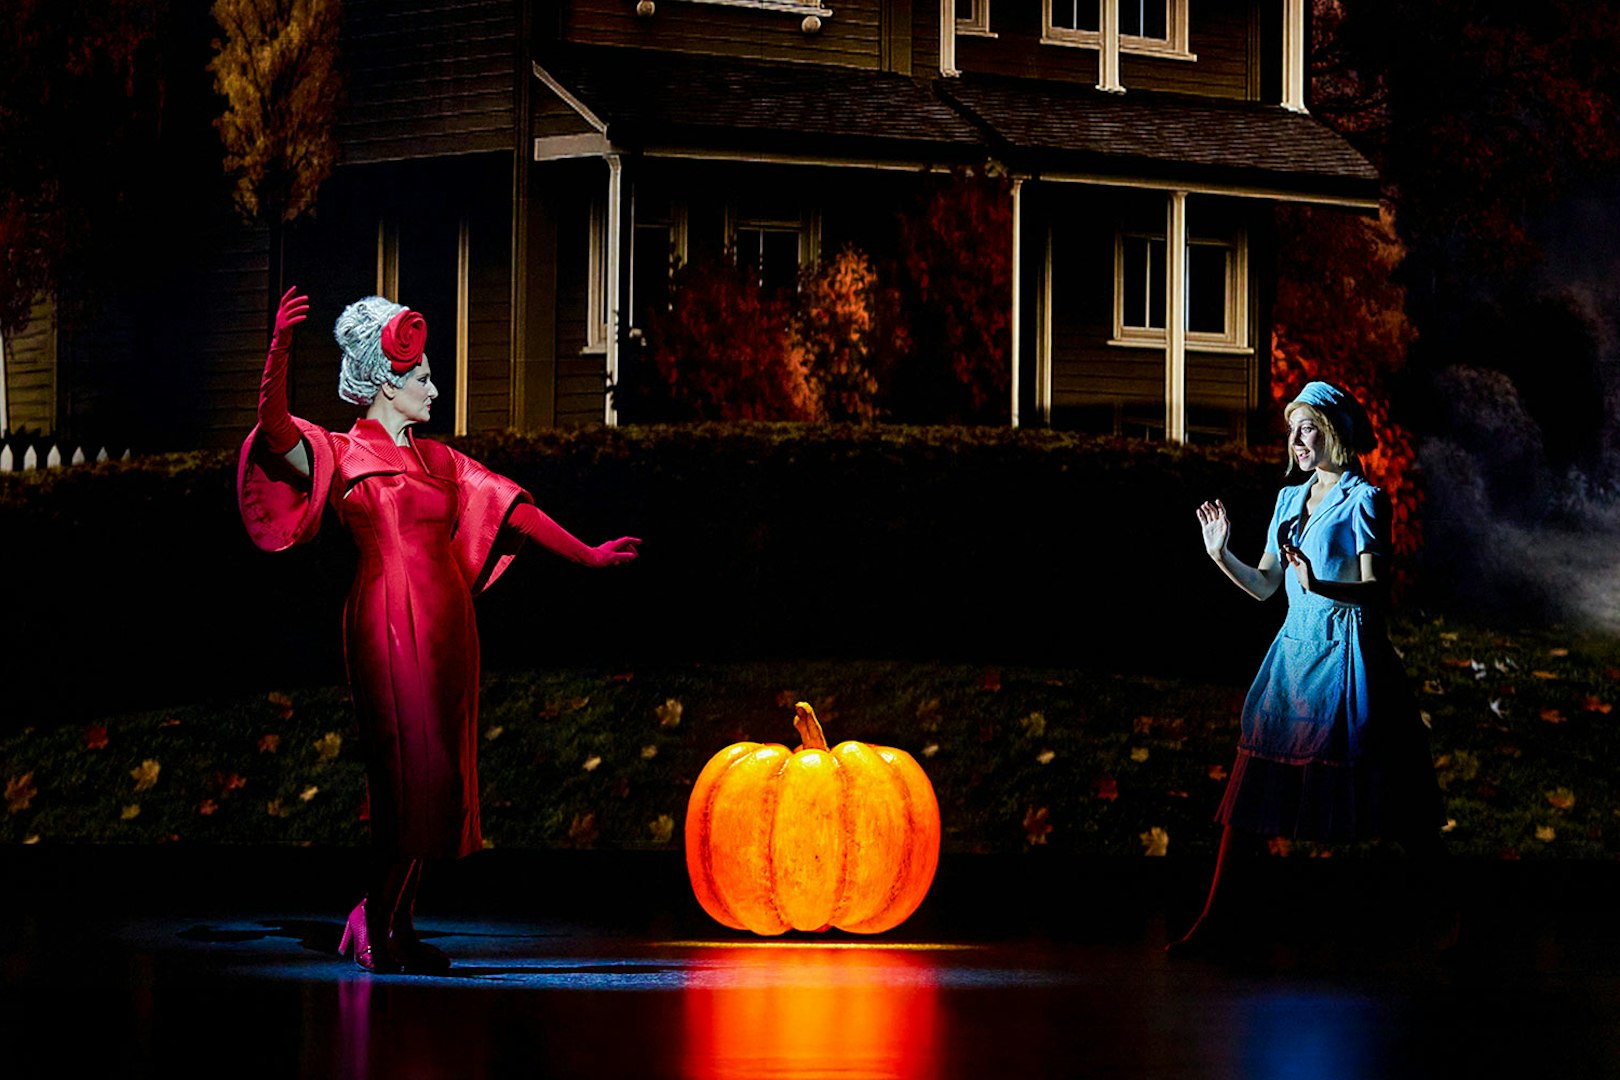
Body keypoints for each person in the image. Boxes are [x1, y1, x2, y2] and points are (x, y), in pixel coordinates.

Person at [237, 287, 641, 974]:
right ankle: (372, 917)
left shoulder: (440, 461)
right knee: (404, 772)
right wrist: (279, 345)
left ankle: (395, 922)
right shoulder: (337, 452)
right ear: (385, 385)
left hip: (450, 618)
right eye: (420, 376)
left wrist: (590, 555)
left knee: (441, 778)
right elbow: (273, 427)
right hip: (385, 615)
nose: (433, 386)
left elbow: (514, 510)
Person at [1167, 380, 1446, 956]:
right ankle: (1216, 921)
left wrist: (1320, 583)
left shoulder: (1365, 499)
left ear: (1334, 434)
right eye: (1292, 430)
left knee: (1395, 802)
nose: (1295, 441)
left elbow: (1375, 588)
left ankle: (1444, 918)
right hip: (1295, 657)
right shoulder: (1288, 501)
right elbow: (1268, 585)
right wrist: (1221, 555)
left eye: (1307, 429)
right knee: (1250, 796)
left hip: (1349, 659)